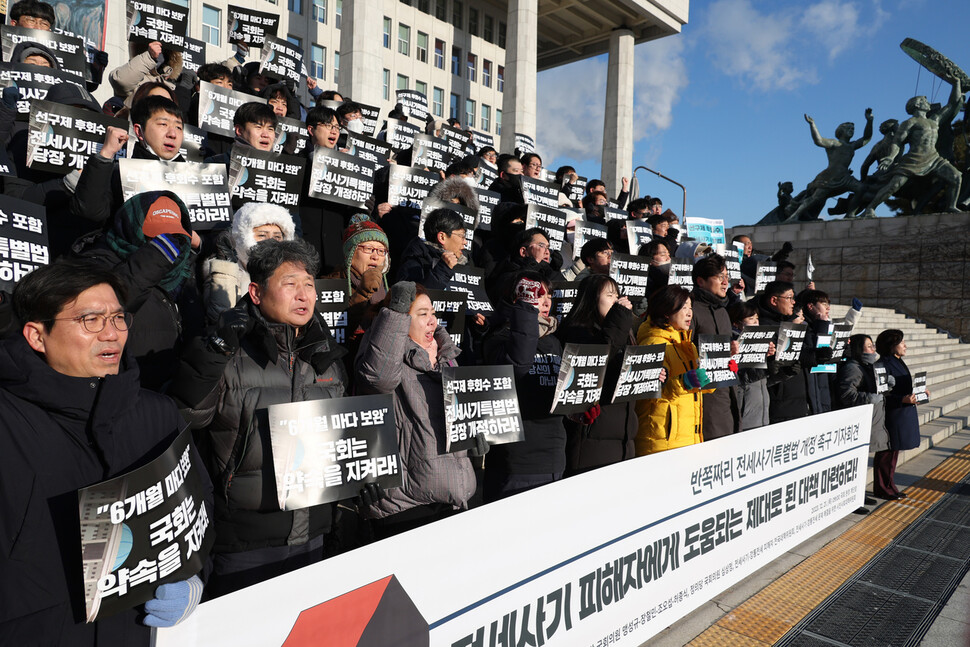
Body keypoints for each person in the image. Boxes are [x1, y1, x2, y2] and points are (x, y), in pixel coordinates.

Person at [0, 260, 207, 644]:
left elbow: (194, 511)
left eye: (117, 318)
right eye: (90, 320)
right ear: (36, 335)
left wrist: (192, 572)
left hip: (132, 630)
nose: (111, 334)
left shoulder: (156, 413)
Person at [170, 239, 350, 598]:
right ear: (255, 292)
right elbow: (186, 418)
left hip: (314, 532)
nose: (303, 295)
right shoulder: (224, 349)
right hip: (245, 544)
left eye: (309, 285)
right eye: (290, 284)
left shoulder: (327, 355)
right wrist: (214, 353)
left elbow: (342, 434)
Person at [355, 281, 481, 537]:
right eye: (422, 314)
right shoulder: (380, 355)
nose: (432, 321)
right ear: (399, 320)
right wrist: (396, 316)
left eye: (433, 313)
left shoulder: (447, 357)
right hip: (404, 506)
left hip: (451, 497)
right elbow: (379, 378)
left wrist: (475, 439)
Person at [72, 191, 200, 392]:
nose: (165, 242)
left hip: (160, 400)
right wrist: (152, 260)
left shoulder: (177, 273)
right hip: (113, 395)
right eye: (154, 234)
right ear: (131, 226)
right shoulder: (95, 262)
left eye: (174, 236)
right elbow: (101, 306)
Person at [483, 272, 565, 499]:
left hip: (554, 453)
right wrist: (526, 311)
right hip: (516, 460)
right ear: (519, 297)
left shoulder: (554, 340)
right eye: (538, 295)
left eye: (549, 295)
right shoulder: (499, 337)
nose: (546, 301)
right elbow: (517, 366)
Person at [558, 275, 643, 473]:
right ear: (591, 299)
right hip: (592, 439)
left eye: (617, 295)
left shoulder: (623, 332)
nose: (616, 300)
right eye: (609, 295)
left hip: (624, 436)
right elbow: (599, 361)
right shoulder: (578, 332)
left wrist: (655, 376)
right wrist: (620, 318)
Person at [863, 80, 964, 217]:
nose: (927, 102)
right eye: (924, 100)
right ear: (917, 105)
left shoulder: (934, 119)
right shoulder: (909, 123)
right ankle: (870, 208)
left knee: (956, 176)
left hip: (934, 158)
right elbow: (897, 142)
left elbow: (952, 104)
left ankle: (950, 206)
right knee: (894, 186)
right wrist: (891, 158)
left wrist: (956, 83)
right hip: (914, 159)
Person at [635, 285, 712, 456]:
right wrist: (684, 381)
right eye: (683, 307)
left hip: (686, 437)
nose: (689, 313)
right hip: (662, 440)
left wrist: (719, 371)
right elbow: (650, 390)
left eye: (691, 307)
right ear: (666, 311)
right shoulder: (653, 343)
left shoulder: (687, 344)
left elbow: (697, 386)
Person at [201, 202, 296, 323]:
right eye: (262, 235)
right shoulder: (225, 271)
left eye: (277, 237)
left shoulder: (293, 271)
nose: (271, 242)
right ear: (242, 237)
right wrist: (225, 272)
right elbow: (220, 317)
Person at [784, 109, 873, 222]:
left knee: (861, 188)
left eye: (853, 129)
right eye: (848, 129)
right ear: (841, 131)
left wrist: (869, 121)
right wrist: (812, 125)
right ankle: (794, 216)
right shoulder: (834, 143)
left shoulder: (852, 145)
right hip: (830, 176)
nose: (852, 131)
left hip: (845, 177)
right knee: (817, 198)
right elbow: (819, 141)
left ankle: (850, 214)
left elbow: (866, 138)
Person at [835, 334, 894, 498]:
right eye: (869, 346)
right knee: (856, 462)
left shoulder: (871, 366)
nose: (873, 349)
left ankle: (858, 494)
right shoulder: (853, 368)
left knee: (862, 461)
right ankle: (853, 496)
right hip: (860, 422)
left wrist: (886, 385)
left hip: (873, 421)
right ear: (858, 349)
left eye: (873, 345)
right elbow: (846, 395)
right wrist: (870, 398)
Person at [690, 254, 740, 440]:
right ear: (701, 281)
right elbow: (686, 352)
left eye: (726, 277)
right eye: (720, 277)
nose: (725, 282)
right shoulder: (691, 309)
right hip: (704, 397)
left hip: (727, 393)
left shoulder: (723, 311)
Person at [876, 329, 927, 499]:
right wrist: (902, 399)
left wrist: (918, 393)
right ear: (891, 346)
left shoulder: (898, 361)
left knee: (893, 452)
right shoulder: (883, 364)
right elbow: (882, 394)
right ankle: (883, 487)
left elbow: (901, 388)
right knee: (887, 452)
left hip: (901, 412)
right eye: (901, 342)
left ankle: (889, 485)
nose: (905, 345)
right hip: (892, 414)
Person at [727, 301, 774, 431]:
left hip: (762, 412)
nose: (755, 322)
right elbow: (740, 379)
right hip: (746, 414)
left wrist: (769, 359)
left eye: (757, 319)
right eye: (750, 319)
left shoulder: (760, 342)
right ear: (736, 323)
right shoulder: (733, 345)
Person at [396, 207, 468, 289]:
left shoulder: (465, 262)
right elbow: (413, 298)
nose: (465, 242)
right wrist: (443, 270)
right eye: (461, 236)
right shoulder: (414, 263)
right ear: (442, 237)